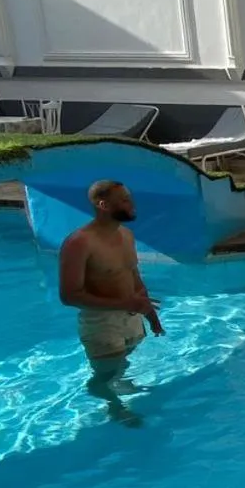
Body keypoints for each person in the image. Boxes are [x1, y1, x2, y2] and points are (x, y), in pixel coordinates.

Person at [58, 180, 164, 423]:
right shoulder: (79, 243)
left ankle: (116, 385)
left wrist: (151, 317)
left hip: (132, 315)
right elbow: (69, 295)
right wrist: (127, 304)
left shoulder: (126, 235)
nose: (132, 204)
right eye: (124, 200)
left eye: (130, 197)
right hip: (101, 321)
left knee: (120, 365)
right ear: (103, 205)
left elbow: (134, 277)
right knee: (104, 375)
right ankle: (113, 406)